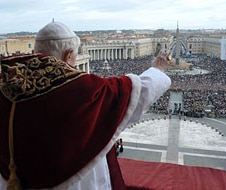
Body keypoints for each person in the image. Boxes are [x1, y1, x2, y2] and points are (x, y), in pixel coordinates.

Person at [0, 21, 172, 190]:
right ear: (68, 55)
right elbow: (135, 93)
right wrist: (158, 69)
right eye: (75, 57)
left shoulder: (7, 86)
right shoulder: (83, 91)